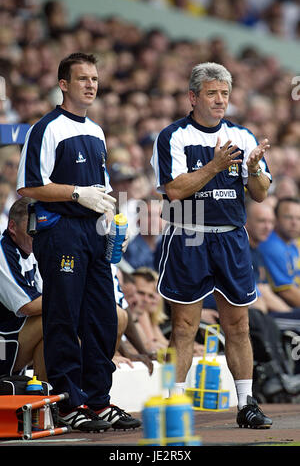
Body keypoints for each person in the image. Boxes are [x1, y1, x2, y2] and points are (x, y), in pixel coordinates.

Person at [16, 52, 141, 432]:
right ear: (64, 84)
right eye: (83, 78)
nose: (91, 84)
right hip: (61, 232)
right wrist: (76, 194)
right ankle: (69, 400)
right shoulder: (46, 128)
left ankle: (98, 401)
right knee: (64, 317)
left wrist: (104, 210)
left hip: (93, 232)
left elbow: (97, 186)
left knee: (103, 317)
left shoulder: (97, 131)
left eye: (95, 79)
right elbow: (29, 185)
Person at [150, 62, 273, 428]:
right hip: (189, 235)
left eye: (224, 94)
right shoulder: (173, 136)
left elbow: (262, 194)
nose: (220, 100)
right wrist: (215, 166)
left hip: (232, 237)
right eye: (212, 94)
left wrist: (252, 169)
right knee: (185, 325)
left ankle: (246, 403)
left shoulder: (244, 136)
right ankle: (174, 403)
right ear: (193, 97)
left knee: (238, 325)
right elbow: (173, 190)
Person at [0, 197, 46, 380]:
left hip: (13, 338)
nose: (38, 232)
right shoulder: (3, 252)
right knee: (52, 318)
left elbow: (44, 298)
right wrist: (70, 294)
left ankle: (45, 398)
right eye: (32, 225)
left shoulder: (32, 253)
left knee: (57, 327)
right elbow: (27, 306)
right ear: (13, 227)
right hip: (3, 346)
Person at [259, 197, 300, 334]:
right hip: (276, 312)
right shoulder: (272, 245)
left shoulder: (291, 244)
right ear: (276, 219)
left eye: (298, 218)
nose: (294, 223)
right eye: (288, 217)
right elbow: (288, 292)